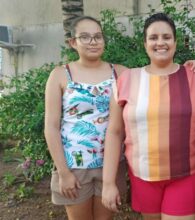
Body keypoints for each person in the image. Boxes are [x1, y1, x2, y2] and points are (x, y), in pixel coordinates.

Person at [101, 13, 195, 220]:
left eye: (166, 37)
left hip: (187, 175)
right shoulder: (127, 80)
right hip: (142, 176)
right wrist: (108, 183)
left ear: (175, 42)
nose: (160, 42)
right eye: (153, 37)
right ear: (145, 43)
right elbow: (114, 133)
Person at [44, 16, 128, 220]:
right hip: (74, 167)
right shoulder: (60, 75)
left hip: (112, 164)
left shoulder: (121, 73)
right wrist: (63, 172)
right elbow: (51, 126)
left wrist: (190, 67)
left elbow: (154, 78)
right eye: (85, 37)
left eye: (98, 36)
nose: (93, 41)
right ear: (73, 42)